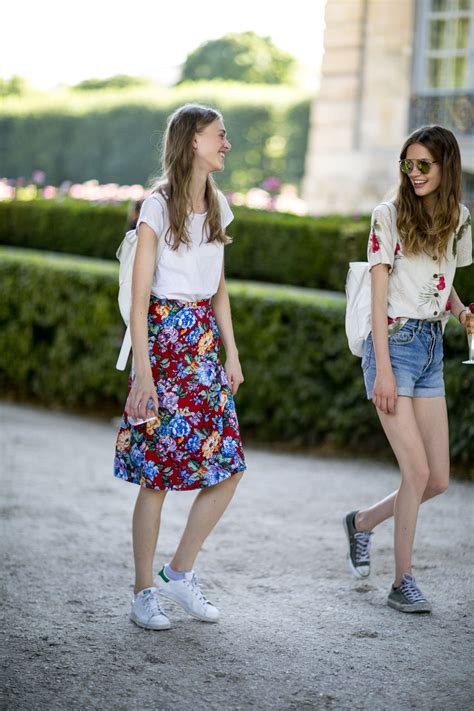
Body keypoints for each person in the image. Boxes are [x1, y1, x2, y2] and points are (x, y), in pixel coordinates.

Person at [113, 104, 246, 630]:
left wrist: (232, 352)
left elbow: (219, 288)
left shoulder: (218, 205)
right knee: (157, 476)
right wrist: (144, 373)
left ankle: (179, 572)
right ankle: (143, 591)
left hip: (204, 346)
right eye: (219, 135)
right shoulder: (156, 207)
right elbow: (140, 297)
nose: (226, 143)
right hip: (163, 345)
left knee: (228, 466)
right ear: (193, 140)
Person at [343, 125, 472, 613]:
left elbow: (441, 277)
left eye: (424, 165)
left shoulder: (460, 218)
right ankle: (403, 581)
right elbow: (379, 297)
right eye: (408, 164)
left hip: (432, 346)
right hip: (394, 346)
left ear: (446, 167)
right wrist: (382, 370)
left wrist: (460, 312)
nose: (414, 173)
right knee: (415, 471)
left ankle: (361, 523)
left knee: (437, 479)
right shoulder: (388, 214)